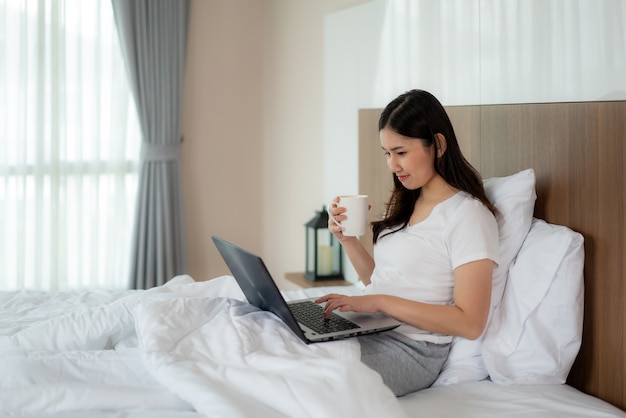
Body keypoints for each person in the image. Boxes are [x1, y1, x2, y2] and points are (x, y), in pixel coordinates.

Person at [316, 89, 500, 397]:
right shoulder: (405, 203)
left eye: (401, 152)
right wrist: (348, 240)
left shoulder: (468, 216)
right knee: (277, 346)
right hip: (372, 328)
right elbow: (381, 281)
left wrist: (379, 301)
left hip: (413, 349)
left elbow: (470, 322)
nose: (392, 165)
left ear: (438, 145)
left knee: (314, 378)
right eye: (387, 153)